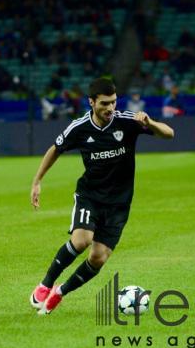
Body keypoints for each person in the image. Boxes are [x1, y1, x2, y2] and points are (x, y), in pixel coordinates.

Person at [29, 78, 175, 314]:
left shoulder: (127, 121)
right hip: (91, 196)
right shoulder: (79, 127)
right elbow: (55, 149)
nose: (110, 108)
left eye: (114, 102)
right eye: (105, 103)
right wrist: (37, 181)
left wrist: (150, 123)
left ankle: (60, 292)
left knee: (98, 258)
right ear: (92, 102)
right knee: (81, 240)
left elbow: (169, 134)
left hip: (119, 203)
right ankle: (45, 284)